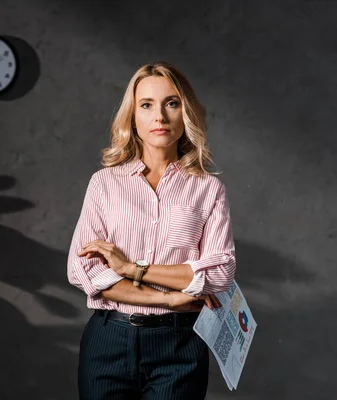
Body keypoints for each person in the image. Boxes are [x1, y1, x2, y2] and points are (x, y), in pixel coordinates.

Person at [67, 61, 236, 399]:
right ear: (133, 117)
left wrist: (131, 269)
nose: (159, 116)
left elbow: (219, 272)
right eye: (146, 105)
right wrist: (170, 297)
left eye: (171, 103)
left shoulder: (207, 189)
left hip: (180, 345)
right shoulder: (104, 184)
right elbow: (84, 270)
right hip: (108, 342)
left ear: (185, 113)